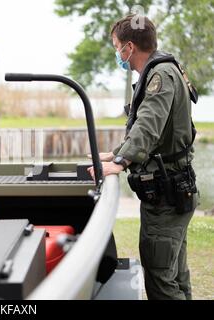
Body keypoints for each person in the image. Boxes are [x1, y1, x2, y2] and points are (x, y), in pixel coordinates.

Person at [88, 15, 198, 300]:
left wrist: (120, 163)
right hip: (174, 192)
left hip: (167, 198)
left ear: (129, 48)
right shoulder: (162, 71)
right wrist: (116, 153)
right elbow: (151, 129)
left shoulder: (159, 76)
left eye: (116, 47)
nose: (117, 54)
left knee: (161, 281)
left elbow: (149, 125)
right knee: (176, 275)